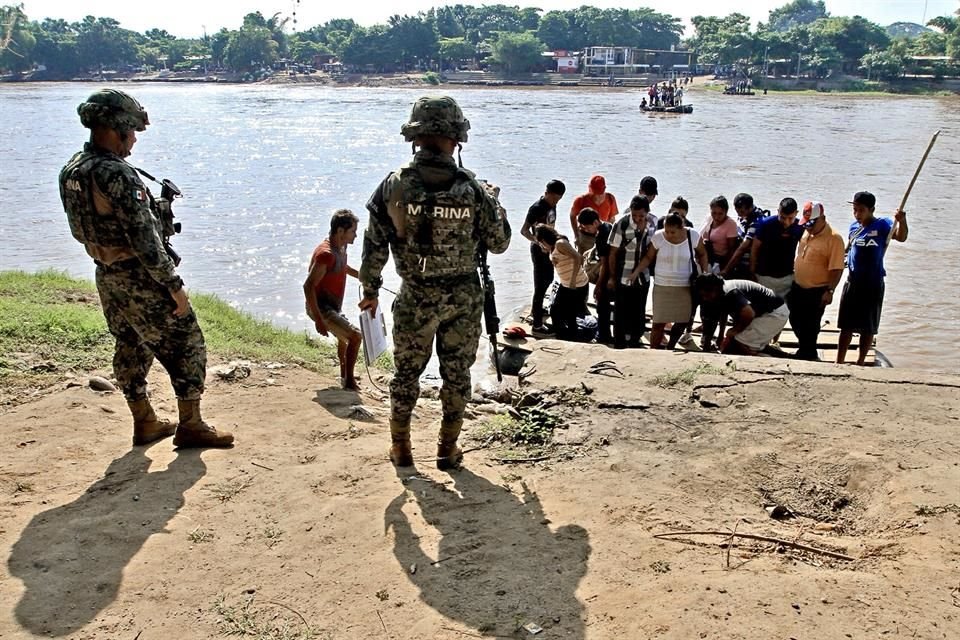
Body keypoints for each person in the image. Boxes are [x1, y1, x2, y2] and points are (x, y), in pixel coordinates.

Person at [59, 89, 233, 448]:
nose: (134, 140)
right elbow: (145, 240)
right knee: (187, 341)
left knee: (131, 344)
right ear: (117, 128)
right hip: (140, 275)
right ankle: (192, 424)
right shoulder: (117, 174)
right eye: (132, 132)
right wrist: (173, 284)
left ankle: (145, 421)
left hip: (107, 274)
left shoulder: (73, 169)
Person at [358, 95, 510, 470]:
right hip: (462, 297)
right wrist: (495, 202)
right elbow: (501, 242)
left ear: (415, 137)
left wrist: (370, 292)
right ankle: (447, 449)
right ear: (455, 139)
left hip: (414, 295)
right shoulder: (472, 190)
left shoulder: (393, 186)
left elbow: (373, 246)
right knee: (457, 375)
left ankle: (401, 449)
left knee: (406, 374)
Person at [836, 191, 908, 366]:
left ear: (871, 209)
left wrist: (902, 219)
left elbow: (901, 236)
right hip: (853, 281)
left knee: (868, 327)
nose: (857, 214)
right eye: (855, 210)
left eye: (861, 210)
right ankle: (839, 361)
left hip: (873, 283)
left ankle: (861, 361)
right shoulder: (854, 227)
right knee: (846, 325)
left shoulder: (883, 225)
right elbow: (849, 249)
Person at [629, 212, 708, 349]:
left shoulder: (693, 236)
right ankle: (653, 349)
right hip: (662, 285)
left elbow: (702, 254)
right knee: (658, 322)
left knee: (682, 320)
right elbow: (648, 257)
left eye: (672, 232)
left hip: (685, 285)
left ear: (681, 227)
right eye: (666, 230)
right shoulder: (659, 237)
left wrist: (705, 273)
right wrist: (636, 272)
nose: (669, 234)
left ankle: (670, 346)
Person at [304, 209, 363, 389]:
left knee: (344, 337)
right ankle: (350, 382)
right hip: (321, 307)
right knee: (355, 336)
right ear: (340, 231)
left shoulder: (341, 247)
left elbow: (342, 267)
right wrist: (319, 320)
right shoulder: (326, 254)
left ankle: (344, 374)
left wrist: (362, 276)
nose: (356, 235)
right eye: (353, 231)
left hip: (332, 306)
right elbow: (308, 286)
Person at [788, 202, 845, 361]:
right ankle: (805, 349)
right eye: (806, 224)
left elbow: (837, 268)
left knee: (811, 325)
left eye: (812, 224)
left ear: (823, 218)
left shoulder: (834, 239)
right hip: (798, 285)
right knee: (793, 318)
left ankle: (808, 354)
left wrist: (830, 291)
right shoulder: (806, 232)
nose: (809, 227)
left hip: (817, 289)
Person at [696, 274, 789, 355]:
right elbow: (723, 313)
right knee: (733, 343)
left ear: (714, 289)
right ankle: (760, 349)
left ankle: (761, 356)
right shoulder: (721, 290)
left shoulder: (730, 292)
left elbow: (749, 314)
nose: (705, 299)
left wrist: (735, 330)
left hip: (774, 314)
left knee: (738, 345)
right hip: (765, 313)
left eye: (707, 295)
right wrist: (720, 337)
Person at [607, 196, 654, 349]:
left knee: (639, 311)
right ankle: (619, 344)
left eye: (641, 216)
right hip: (623, 275)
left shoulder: (652, 224)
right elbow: (612, 253)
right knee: (620, 312)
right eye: (635, 215)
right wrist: (612, 277)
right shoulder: (622, 223)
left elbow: (651, 252)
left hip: (643, 276)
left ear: (647, 212)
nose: (638, 219)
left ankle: (635, 342)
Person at [521, 180, 566, 333]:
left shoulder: (552, 206)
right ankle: (537, 324)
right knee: (540, 286)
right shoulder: (536, 208)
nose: (555, 202)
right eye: (553, 198)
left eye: (558, 199)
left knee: (548, 279)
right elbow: (524, 231)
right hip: (539, 250)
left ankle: (537, 310)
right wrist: (538, 242)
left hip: (550, 249)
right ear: (546, 193)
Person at [534, 225, 589, 341]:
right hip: (565, 284)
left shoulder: (560, 243)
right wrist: (552, 258)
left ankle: (570, 339)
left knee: (569, 314)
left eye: (541, 243)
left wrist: (573, 280)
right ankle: (563, 336)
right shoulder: (553, 247)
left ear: (544, 240)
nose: (541, 246)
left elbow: (578, 257)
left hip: (576, 284)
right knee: (555, 310)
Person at [750, 197, 803, 299]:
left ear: (796, 213)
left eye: (790, 218)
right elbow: (754, 248)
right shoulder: (766, 224)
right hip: (764, 276)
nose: (786, 222)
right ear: (778, 212)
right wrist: (752, 272)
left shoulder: (800, 227)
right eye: (783, 217)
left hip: (787, 278)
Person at [577, 208, 614, 343]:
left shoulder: (601, 236)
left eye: (586, 227)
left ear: (595, 223)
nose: (585, 230)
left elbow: (605, 263)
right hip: (617, 273)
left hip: (609, 275)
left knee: (602, 305)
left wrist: (598, 286)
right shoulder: (609, 226)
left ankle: (603, 336)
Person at [722, 192, 768, 279]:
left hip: (748, 264)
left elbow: (743, 248)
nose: (739, 214)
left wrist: (726, 270)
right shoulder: (744, 214)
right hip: (736, 259)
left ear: (750, 208)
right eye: (737, 211)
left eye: (741, 211)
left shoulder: (757, 221)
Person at [569, 175, 618, 251]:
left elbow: (612, 219)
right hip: (585, 237)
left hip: (603, 235)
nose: (596, 197)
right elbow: (572, 216)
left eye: (599, 194)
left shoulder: (610, 198)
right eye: (594, 193)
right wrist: (576, 235)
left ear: (604, 189)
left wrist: (611, 236)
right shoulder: (581, 200)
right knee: (583, 260)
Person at [700, 195, 740, 273]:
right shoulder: (709, 218)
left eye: (720, 214)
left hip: (719, 261)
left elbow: (732, 250)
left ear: (726, 212)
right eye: (714, 213)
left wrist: (726, 270)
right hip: (704, 255)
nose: (716, 217)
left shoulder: (730, 224)